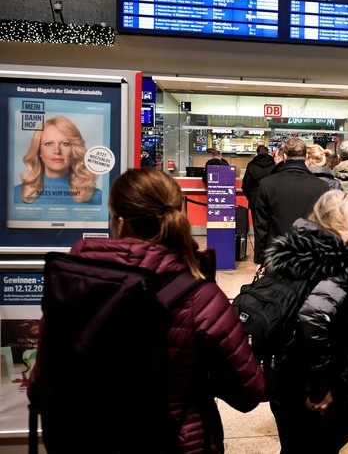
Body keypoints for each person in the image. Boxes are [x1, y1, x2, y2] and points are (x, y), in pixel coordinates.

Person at [29, 168, 264, 451]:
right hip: (173, 441)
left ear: (119, 221)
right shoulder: (199, 296)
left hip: (81, 439)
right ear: (178, 213)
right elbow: (249, 392)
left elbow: (39, 383)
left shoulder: (71, 282)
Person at [263, 190, 348, 454]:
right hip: (311, 379)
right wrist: (321, 387)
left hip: (283, 370)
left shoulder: (290, 247)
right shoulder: (342, 260)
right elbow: (313, 316)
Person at [254, 138, 329, 264]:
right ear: (306, 157)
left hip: (277, 255)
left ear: (283, 157)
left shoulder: (267, 184)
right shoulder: (322, 186)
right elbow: (325, 226)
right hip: (309, 256)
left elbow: (262, 226)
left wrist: (260, 258)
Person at [14, 115, 101, 205]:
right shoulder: (16, 194)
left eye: (65, 144)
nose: (57, 151)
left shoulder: (97, 197)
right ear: (39, 151)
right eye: (49, 144)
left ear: (74, 150)